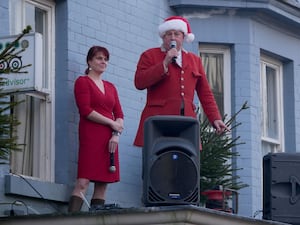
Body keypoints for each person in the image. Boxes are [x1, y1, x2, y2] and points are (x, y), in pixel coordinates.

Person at [134, 16, 228, 147]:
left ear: (183, 37)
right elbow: (139, 82)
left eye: (176, 34)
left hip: (186, 121)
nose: (172, 37)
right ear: (163, 37)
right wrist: (164, 63)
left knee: (186, 162)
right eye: (168, 34)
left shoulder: (194, 60)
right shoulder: (150, 55)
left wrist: (215, 118)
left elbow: (205, 93)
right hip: (159, 120)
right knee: (158, 162)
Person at [68, 46, 124, 213]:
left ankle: (96, 220)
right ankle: (69, 221)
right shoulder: (82, 82)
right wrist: (111, 123)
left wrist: (115, 134)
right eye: (99, 58)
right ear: (90, 61)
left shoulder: (111, 87)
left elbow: (119, 114)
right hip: (91, 135)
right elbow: (85, 110)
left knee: (102, 184)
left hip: (109, 139)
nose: (103, 62)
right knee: (83, 182)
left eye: (106, 59)